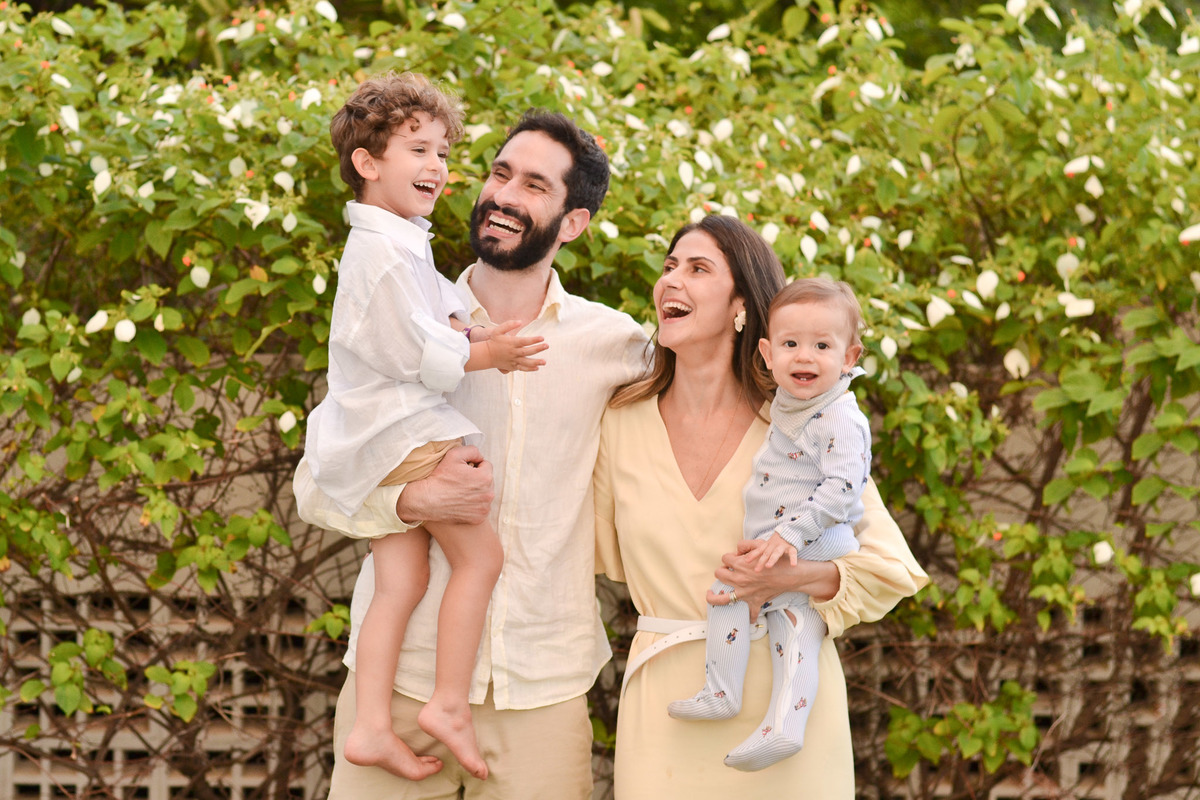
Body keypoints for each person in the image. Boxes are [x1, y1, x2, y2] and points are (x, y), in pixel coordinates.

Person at [293, 109, 649, 799]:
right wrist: (412, 500)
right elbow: (316, 481)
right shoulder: (406, 311)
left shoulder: (614, 344)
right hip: (400, 681)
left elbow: (707, 406)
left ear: (573, 223)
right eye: (499, 173)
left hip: (541, 685)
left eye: (534, 185)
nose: (505, 195)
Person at [594, 215, 928, 797]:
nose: (672, 279)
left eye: (698, 268)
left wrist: (787, 578)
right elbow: (581, 553)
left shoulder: (803, 419)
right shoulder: (619, 421)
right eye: (669, 266)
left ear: (742, 307)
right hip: (666, 710)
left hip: (789, 710)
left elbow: (888, 570)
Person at [306, 72, 550, 782]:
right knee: (481, 560)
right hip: (405, 431)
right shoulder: (381, 253)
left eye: (443, 152)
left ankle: (371, 726)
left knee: (402, 579)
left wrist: (467, 328)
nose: (438, 167)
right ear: (367, 162)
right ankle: (448, 701)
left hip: (379, 436)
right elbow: (416, 352)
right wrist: (488, 352)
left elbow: (430, 318)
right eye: (419, 150)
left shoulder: (399, 241)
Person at [667, 277, 871, 772]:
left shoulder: (839, 415)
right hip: (789, 537)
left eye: (822, 346)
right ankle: (773, 721)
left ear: (849, 357)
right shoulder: (794, 403)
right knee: (788, 621)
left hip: (814, 539)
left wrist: (788, 535)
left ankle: (732, 697)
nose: (805, 357)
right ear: (767, 352)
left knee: (738, 594)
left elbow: (845, 488)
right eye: (791, 344)